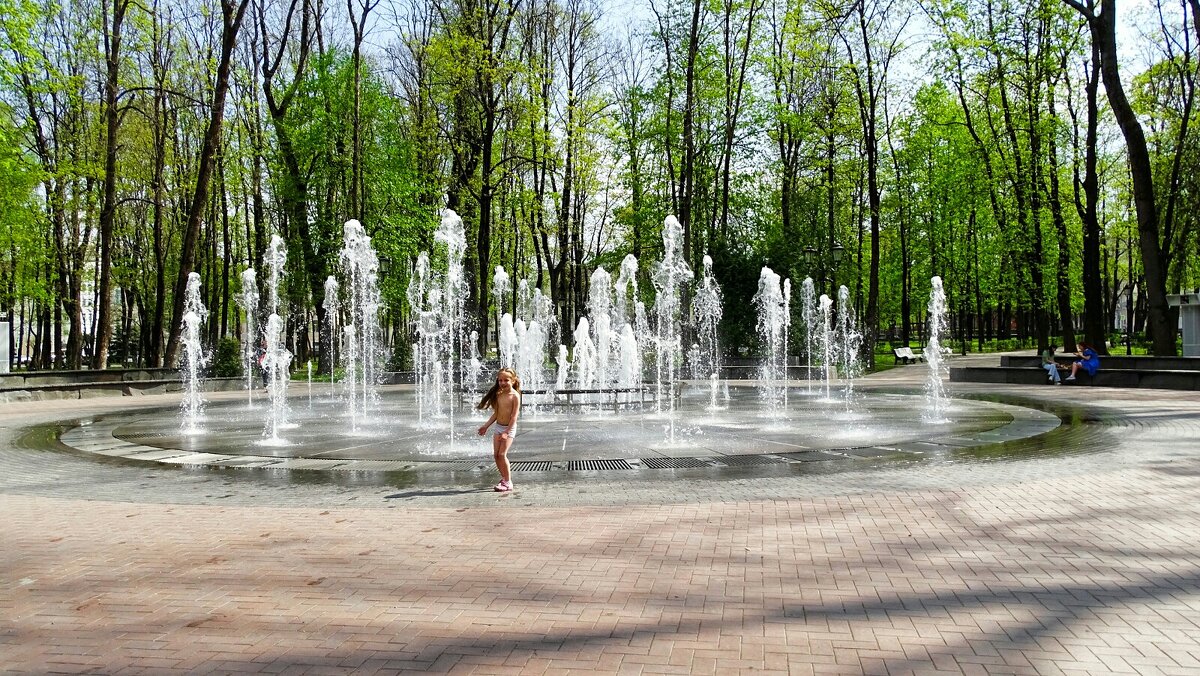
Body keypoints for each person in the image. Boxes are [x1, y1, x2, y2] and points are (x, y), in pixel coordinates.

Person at [477, 368, 521, 492]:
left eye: (506, 380)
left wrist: (507, 432)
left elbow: (514, 416)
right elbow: (496, 414)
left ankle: (508, 482)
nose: (502, 383)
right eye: (500, 380)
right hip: (498, 427)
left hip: (509, 428)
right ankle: (504, 479)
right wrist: (486, 426)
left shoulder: (515, 396)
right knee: (496, 455)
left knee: (502, 454)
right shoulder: (499, 394)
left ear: (513, 381)